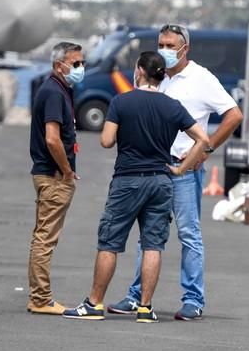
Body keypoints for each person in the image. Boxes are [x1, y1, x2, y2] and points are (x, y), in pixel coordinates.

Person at [108, 23, 243, 321]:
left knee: (188, 233)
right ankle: (136, 296)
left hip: (183, 168)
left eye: (171, 45)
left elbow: (234, 115)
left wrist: (205, 151)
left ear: (185, 49)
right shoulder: (156, 77)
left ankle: (193, 299)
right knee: (148, 235)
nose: (165, 50)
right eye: (161, 44)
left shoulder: (201, 78)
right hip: (153, 167)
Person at [63, 51, 209, 323]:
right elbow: (202, 139)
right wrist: (181, 168)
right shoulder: (172, 106)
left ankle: (94, 303)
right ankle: (145, 308)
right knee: (153, 244)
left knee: (110, 242)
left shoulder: (122, 102)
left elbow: (106, 141)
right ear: (161, 75)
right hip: (161, 180)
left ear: (140, 71)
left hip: (128, 179)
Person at [27, 41, 85, 315]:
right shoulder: (53, 93)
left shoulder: (59, 90)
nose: (80, 68)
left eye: (81, 63)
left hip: (52, 173)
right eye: (75, 64)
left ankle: (39, 296)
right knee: (45, 238)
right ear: (58, 65)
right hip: (52, 176)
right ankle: (40, 298)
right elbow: (52, 139)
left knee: (44, 236)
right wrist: (66, 171)